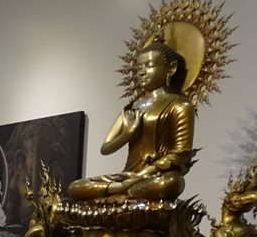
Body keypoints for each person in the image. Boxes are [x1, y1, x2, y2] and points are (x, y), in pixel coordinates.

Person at [68, 37, 195, 201]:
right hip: (127, 176)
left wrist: (140, 176)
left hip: (152, 177)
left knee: (172, 183)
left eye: (149, 66)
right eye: (139, 67)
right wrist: (127, 134)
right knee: (76, 187)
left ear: (171, 68)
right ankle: (119, 190)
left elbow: (179, 154)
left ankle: (116, 194)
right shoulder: (132, 107)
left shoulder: (180, 105)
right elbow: (105, 148)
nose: (142, 72)